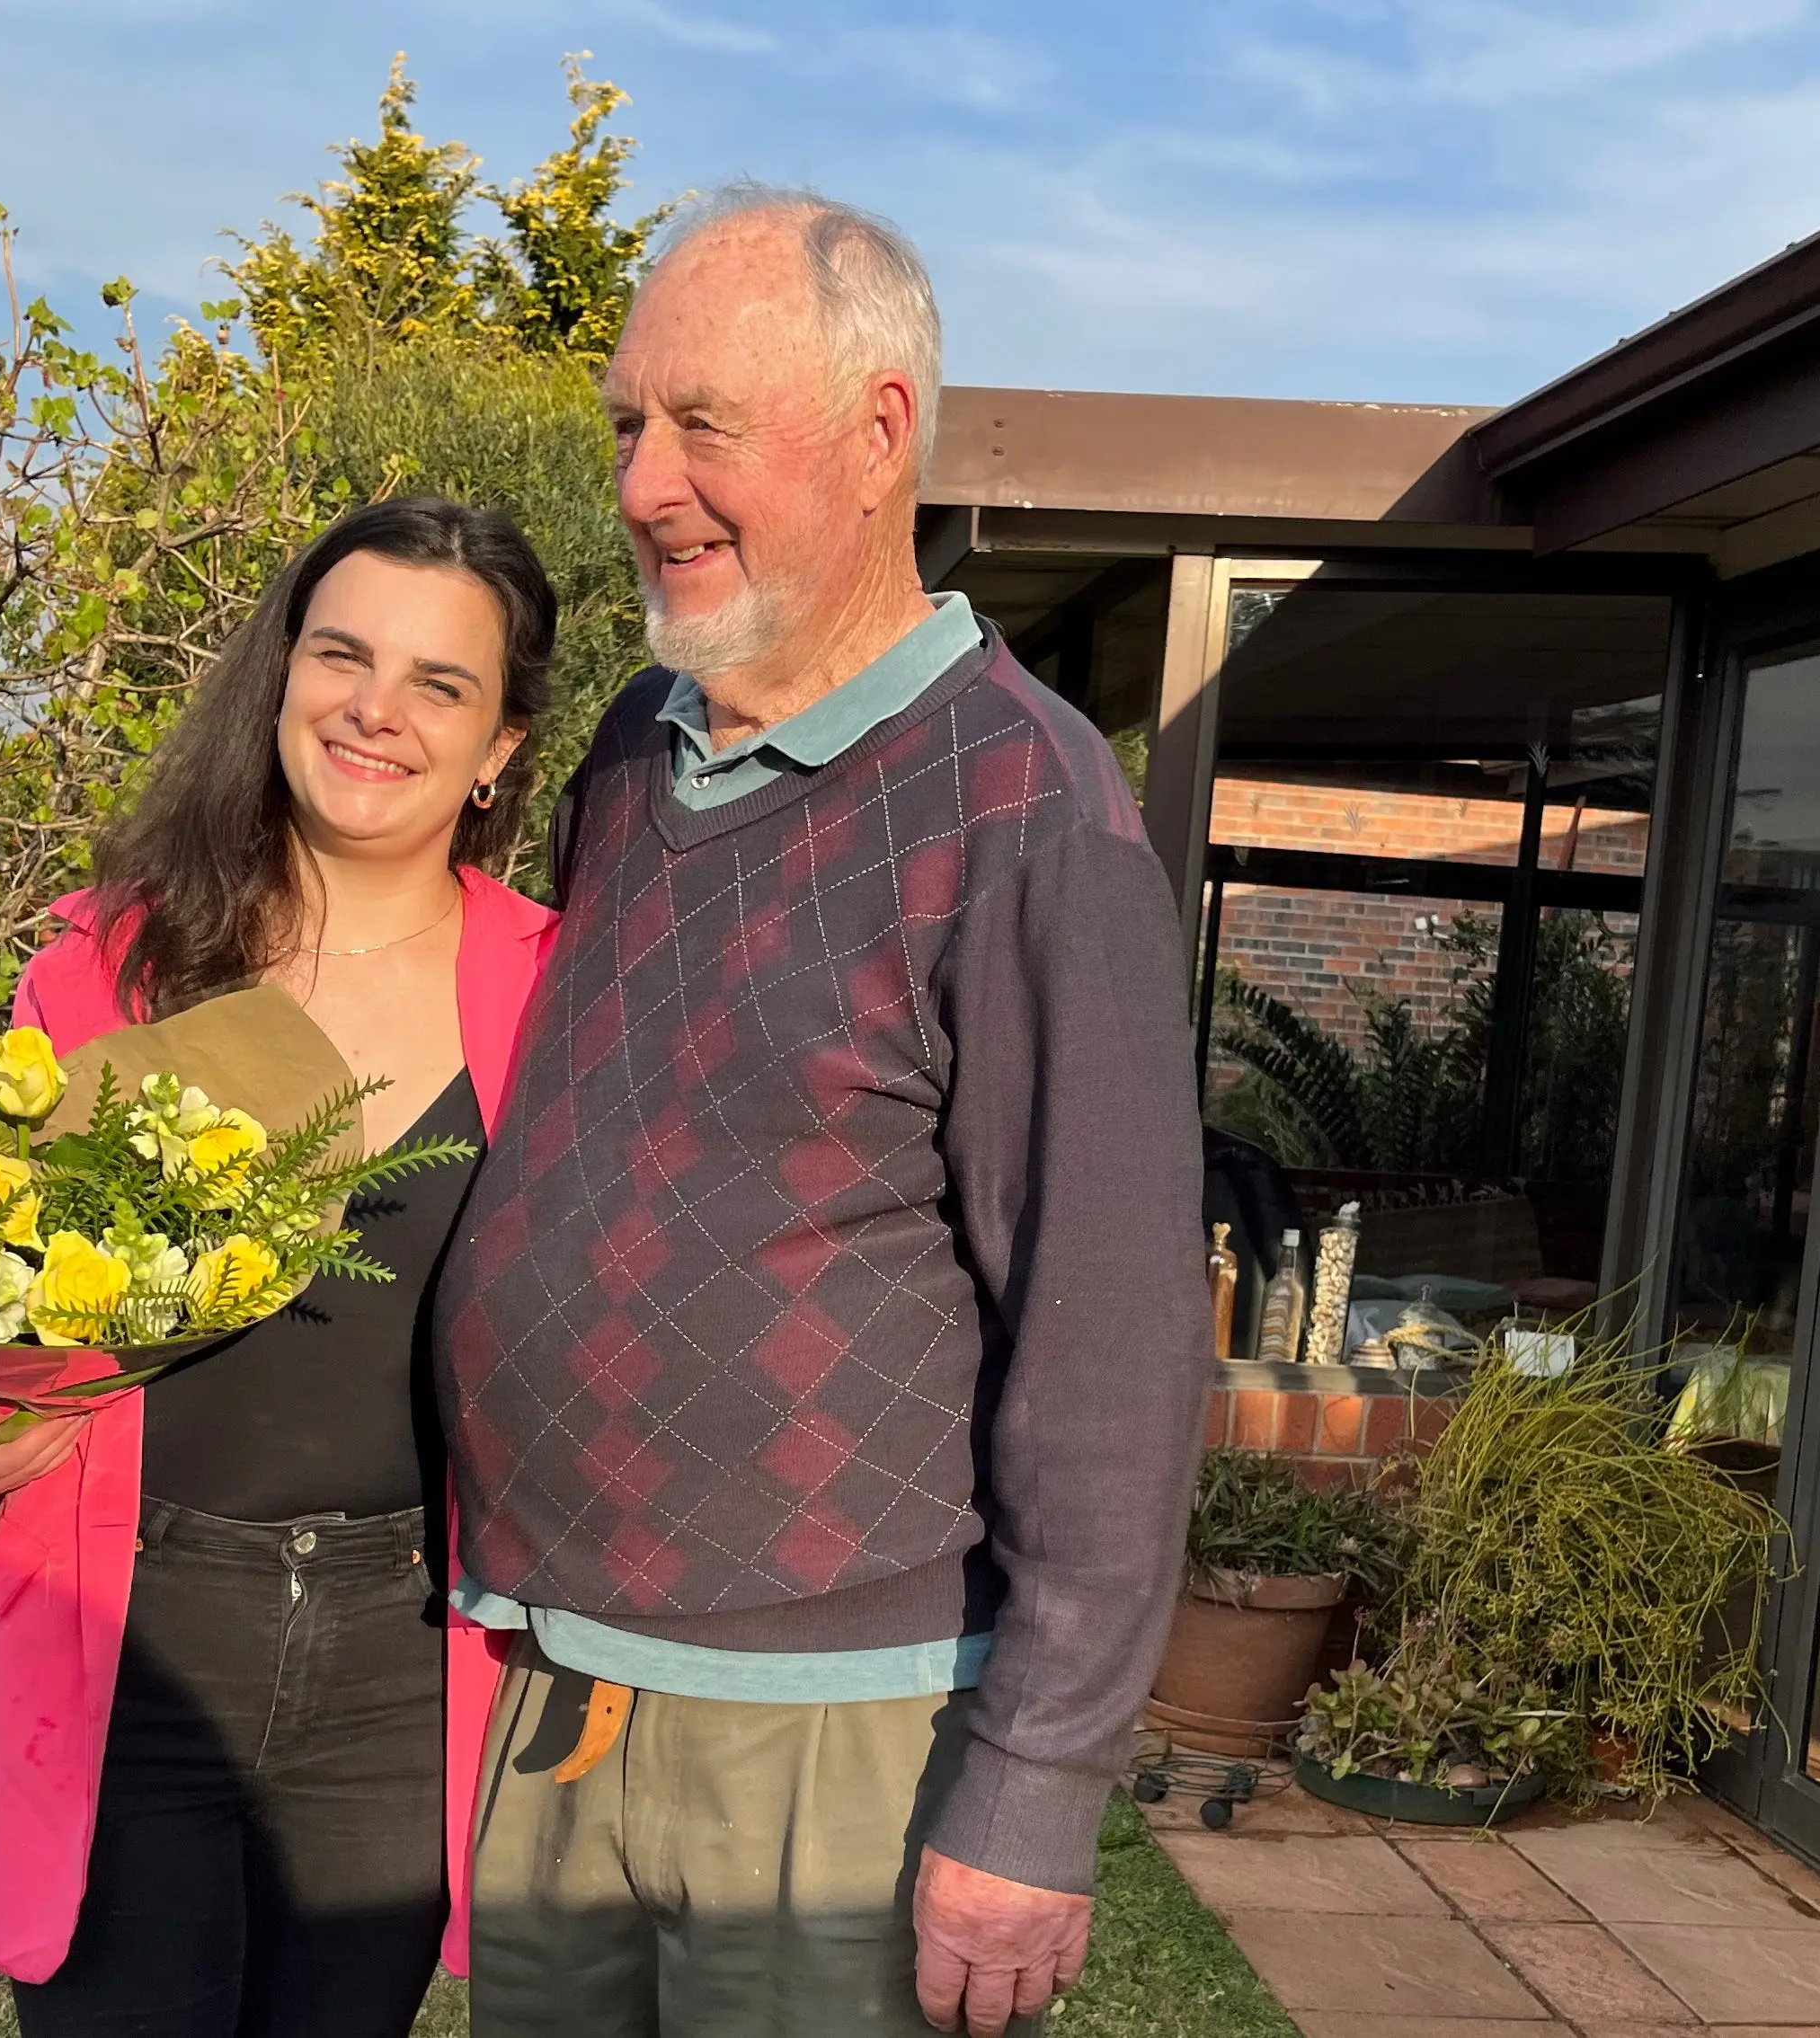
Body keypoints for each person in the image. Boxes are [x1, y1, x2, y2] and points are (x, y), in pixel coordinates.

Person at [435, 187, 1210, 2038]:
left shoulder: (1026, 803)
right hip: (558, 1698)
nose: (643, 483)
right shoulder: (635, 747)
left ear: (877, 437)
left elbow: (1112, 1344)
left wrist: (1033, 1793)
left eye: (705, 421)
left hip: (840, 1746)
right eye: (630, 423)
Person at [0, 498, 559, 2037]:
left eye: (441, 683)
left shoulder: (562, 996)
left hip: (404, 1663)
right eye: (342, 655)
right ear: (280, 679)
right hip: (128, 1648)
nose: (376, 708)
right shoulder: (113, 967)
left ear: (500, 749)